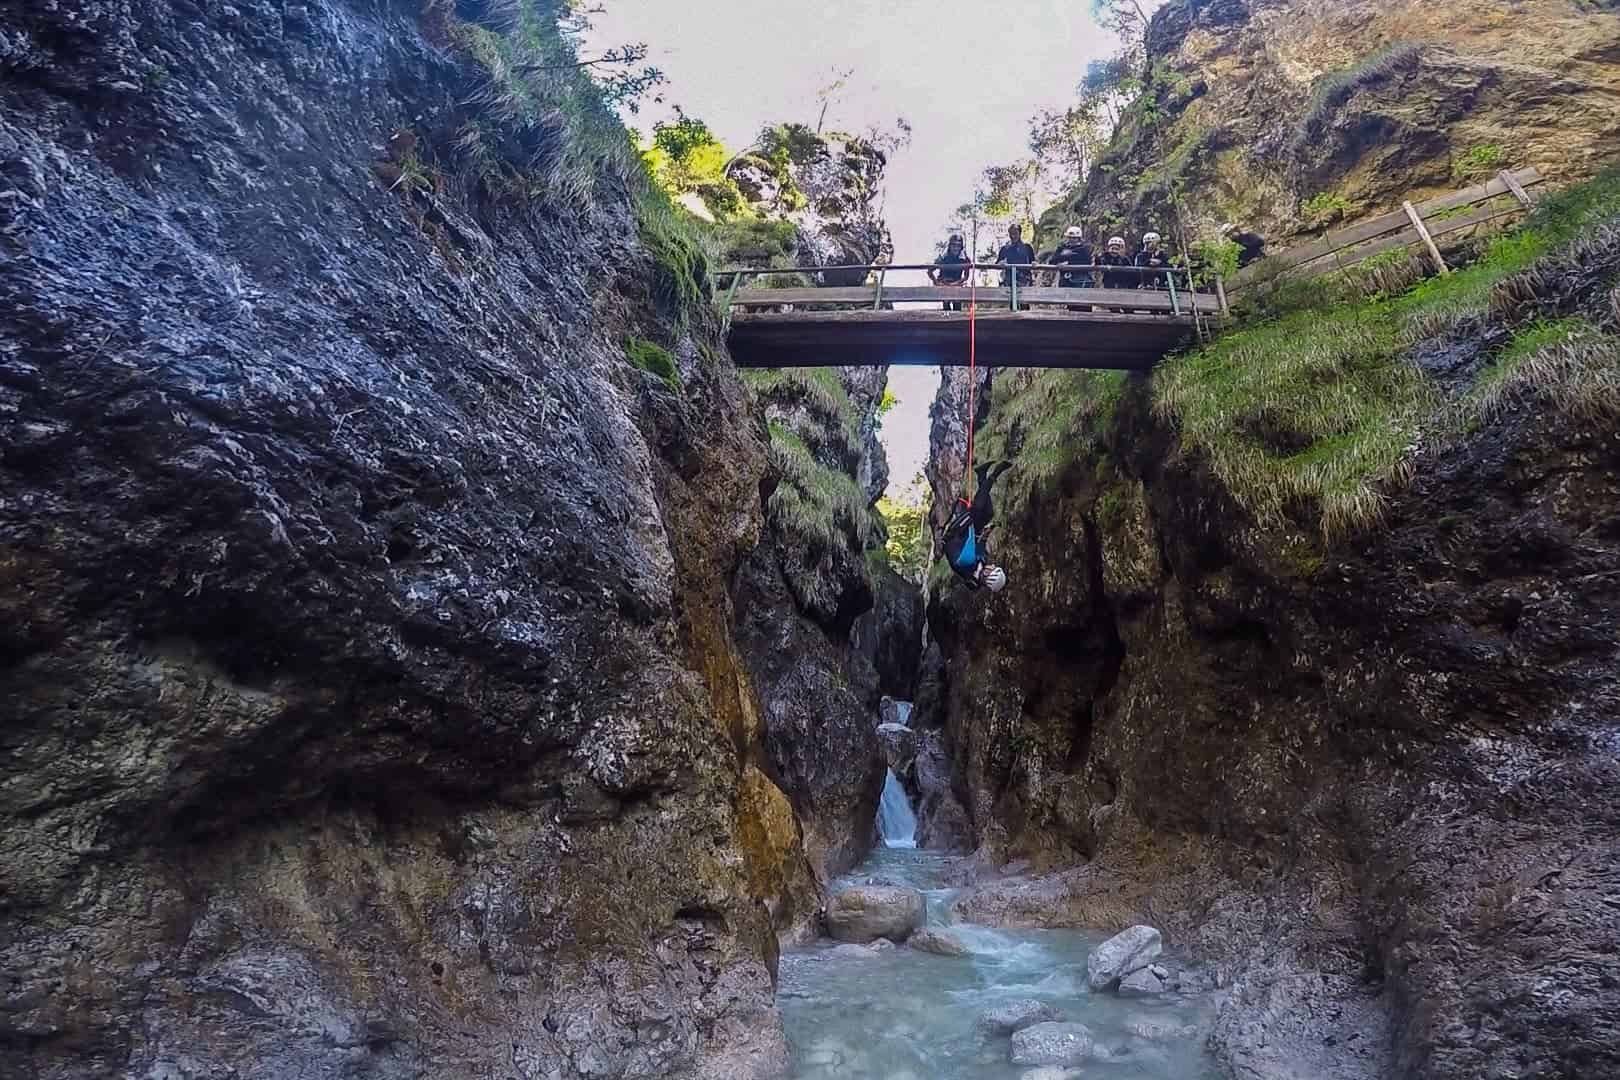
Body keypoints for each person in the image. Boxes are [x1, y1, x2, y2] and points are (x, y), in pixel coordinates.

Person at [941, 460, 1013, 592]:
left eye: (992, 569)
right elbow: (980, 547)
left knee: (976, 510)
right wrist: (987, 532)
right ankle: (981, 475)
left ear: (987, 575)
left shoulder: (968, 561)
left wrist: (974, 523)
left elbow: (971, 537)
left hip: (955, 535)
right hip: (963, 539)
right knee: (988, 513)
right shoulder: (980, 565)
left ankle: (995, 474)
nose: (992, 565)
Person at [928, 233, 972, 311]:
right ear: (950, 246)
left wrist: (957, 283)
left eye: (958, 246)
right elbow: (930, 271)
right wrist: (937, 282)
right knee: (946, 302)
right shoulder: (943, 257)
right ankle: (946, 320)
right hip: (944, 283)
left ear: (961, 247)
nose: (956, 248)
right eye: (954, 245)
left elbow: (966, 276)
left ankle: (958, 321)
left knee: (957, 303)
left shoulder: (965, 259)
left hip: (957, 283)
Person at [997, 224, 1036, 288]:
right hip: (1009, 281)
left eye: (1015, 233)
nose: (1013, 236)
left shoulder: (1027, 248)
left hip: (1025, 281)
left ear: (1020, 233)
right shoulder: (1005, 249)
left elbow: (1033, 262)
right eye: (1011, 233)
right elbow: (997, 264)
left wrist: (1034, 264)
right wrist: (1001, 263)